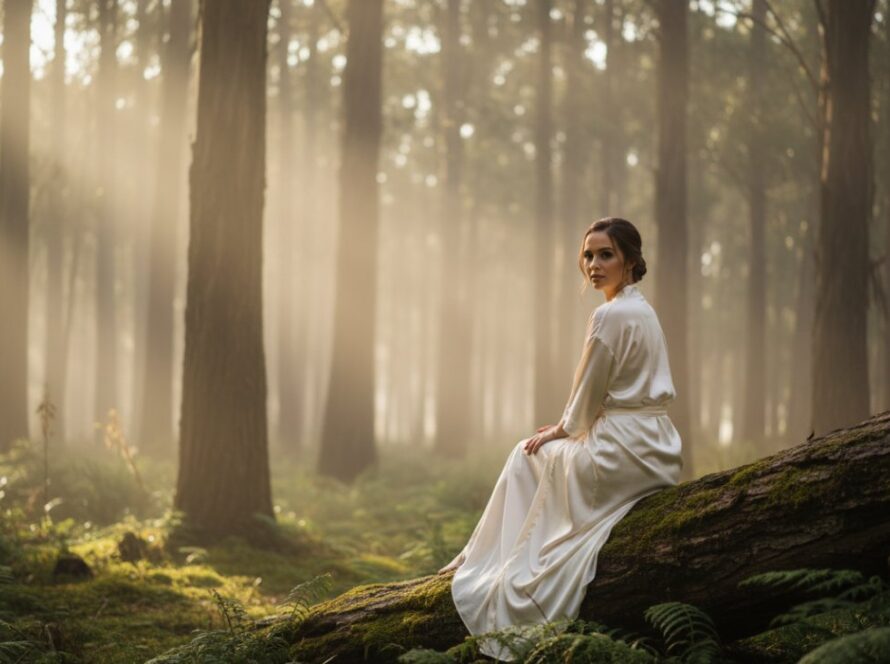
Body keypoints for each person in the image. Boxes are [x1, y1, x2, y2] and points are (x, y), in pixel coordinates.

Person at [438, 217, 683, 661]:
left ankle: (480, 560)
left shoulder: (608, 315)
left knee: (525, 453)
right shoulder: (642, 308)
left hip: (619, 451)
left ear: (629, 259)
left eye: (605, 254)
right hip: (657, 447)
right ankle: (480, 554)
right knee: (538, 454)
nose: (593, 264)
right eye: (588, 255)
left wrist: (561, 430)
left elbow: (587, 398)